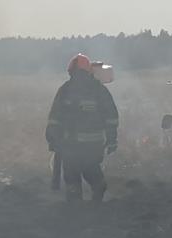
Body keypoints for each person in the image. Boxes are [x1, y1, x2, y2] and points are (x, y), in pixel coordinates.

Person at [46, 53, 119, 201]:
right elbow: (111, 118)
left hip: (69, 145)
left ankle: (75, 208)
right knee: (92, 170)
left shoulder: (65, 89)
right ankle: (97, 196)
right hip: (93, 145)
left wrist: (52, 139)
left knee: (72, 178)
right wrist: (112, 140)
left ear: (71, 71)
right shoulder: (99, 90)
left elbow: (54, 118)